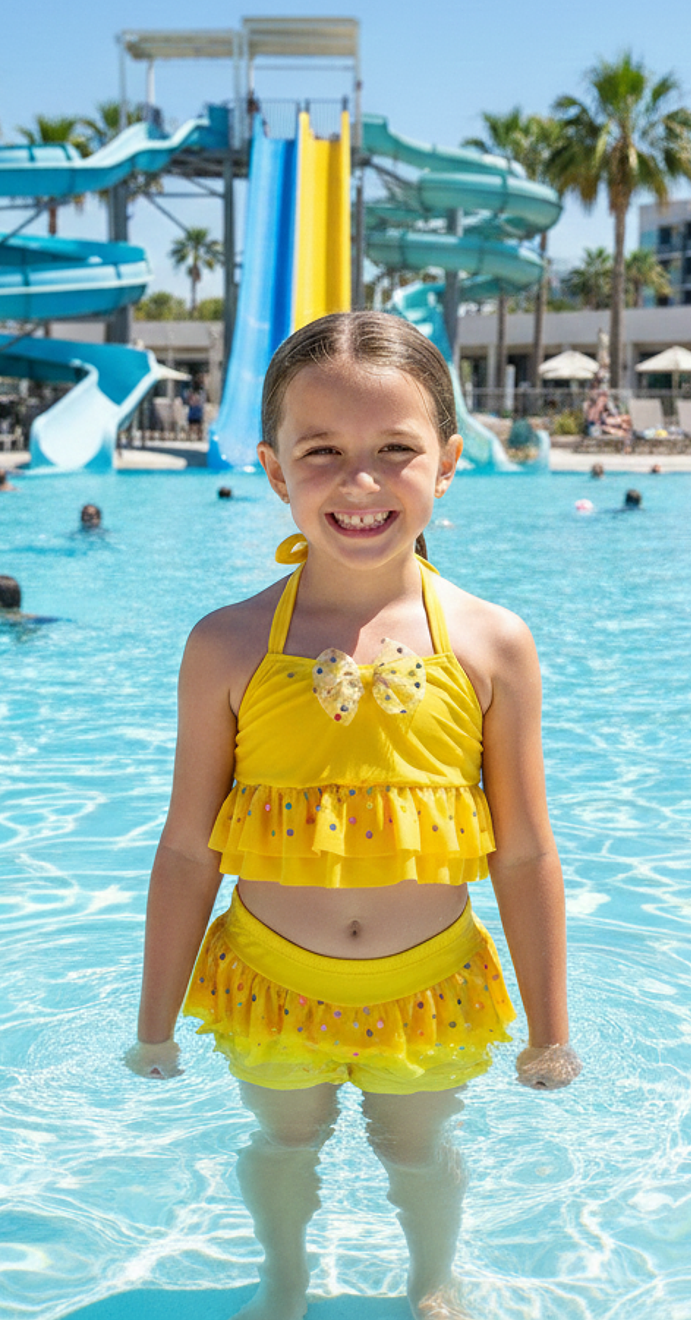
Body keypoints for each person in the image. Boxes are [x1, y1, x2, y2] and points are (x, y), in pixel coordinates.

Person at [127, 311, 578, 1320]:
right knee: (285, 1143)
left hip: (430, 989)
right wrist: (154, 1024)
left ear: (450, 463)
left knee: (416, 1150)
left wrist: (551, 1030)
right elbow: (188, 849)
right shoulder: (230, 644)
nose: (361, 482)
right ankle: (284, 1281)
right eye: (322, 452)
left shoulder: (493, 643)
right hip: (271, 986)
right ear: (275, 468)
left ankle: (431, 1281)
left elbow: (526, 851)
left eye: (395, 452)